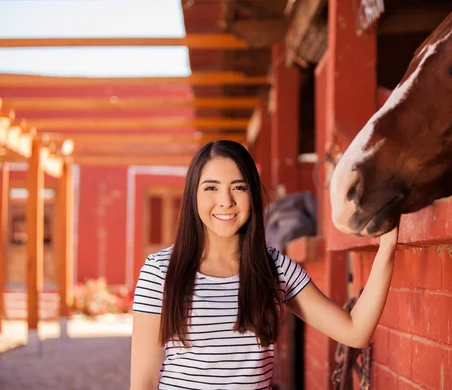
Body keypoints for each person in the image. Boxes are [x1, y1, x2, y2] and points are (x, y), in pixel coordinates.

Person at [129, 140, 399, 390]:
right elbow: (143, 381)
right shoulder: (160, 271)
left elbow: (355, 332)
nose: (226, 201)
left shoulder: (275, 268)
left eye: (239, 187)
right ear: (193, 196)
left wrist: (386, 248)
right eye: (211, 188)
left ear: (253, 195)